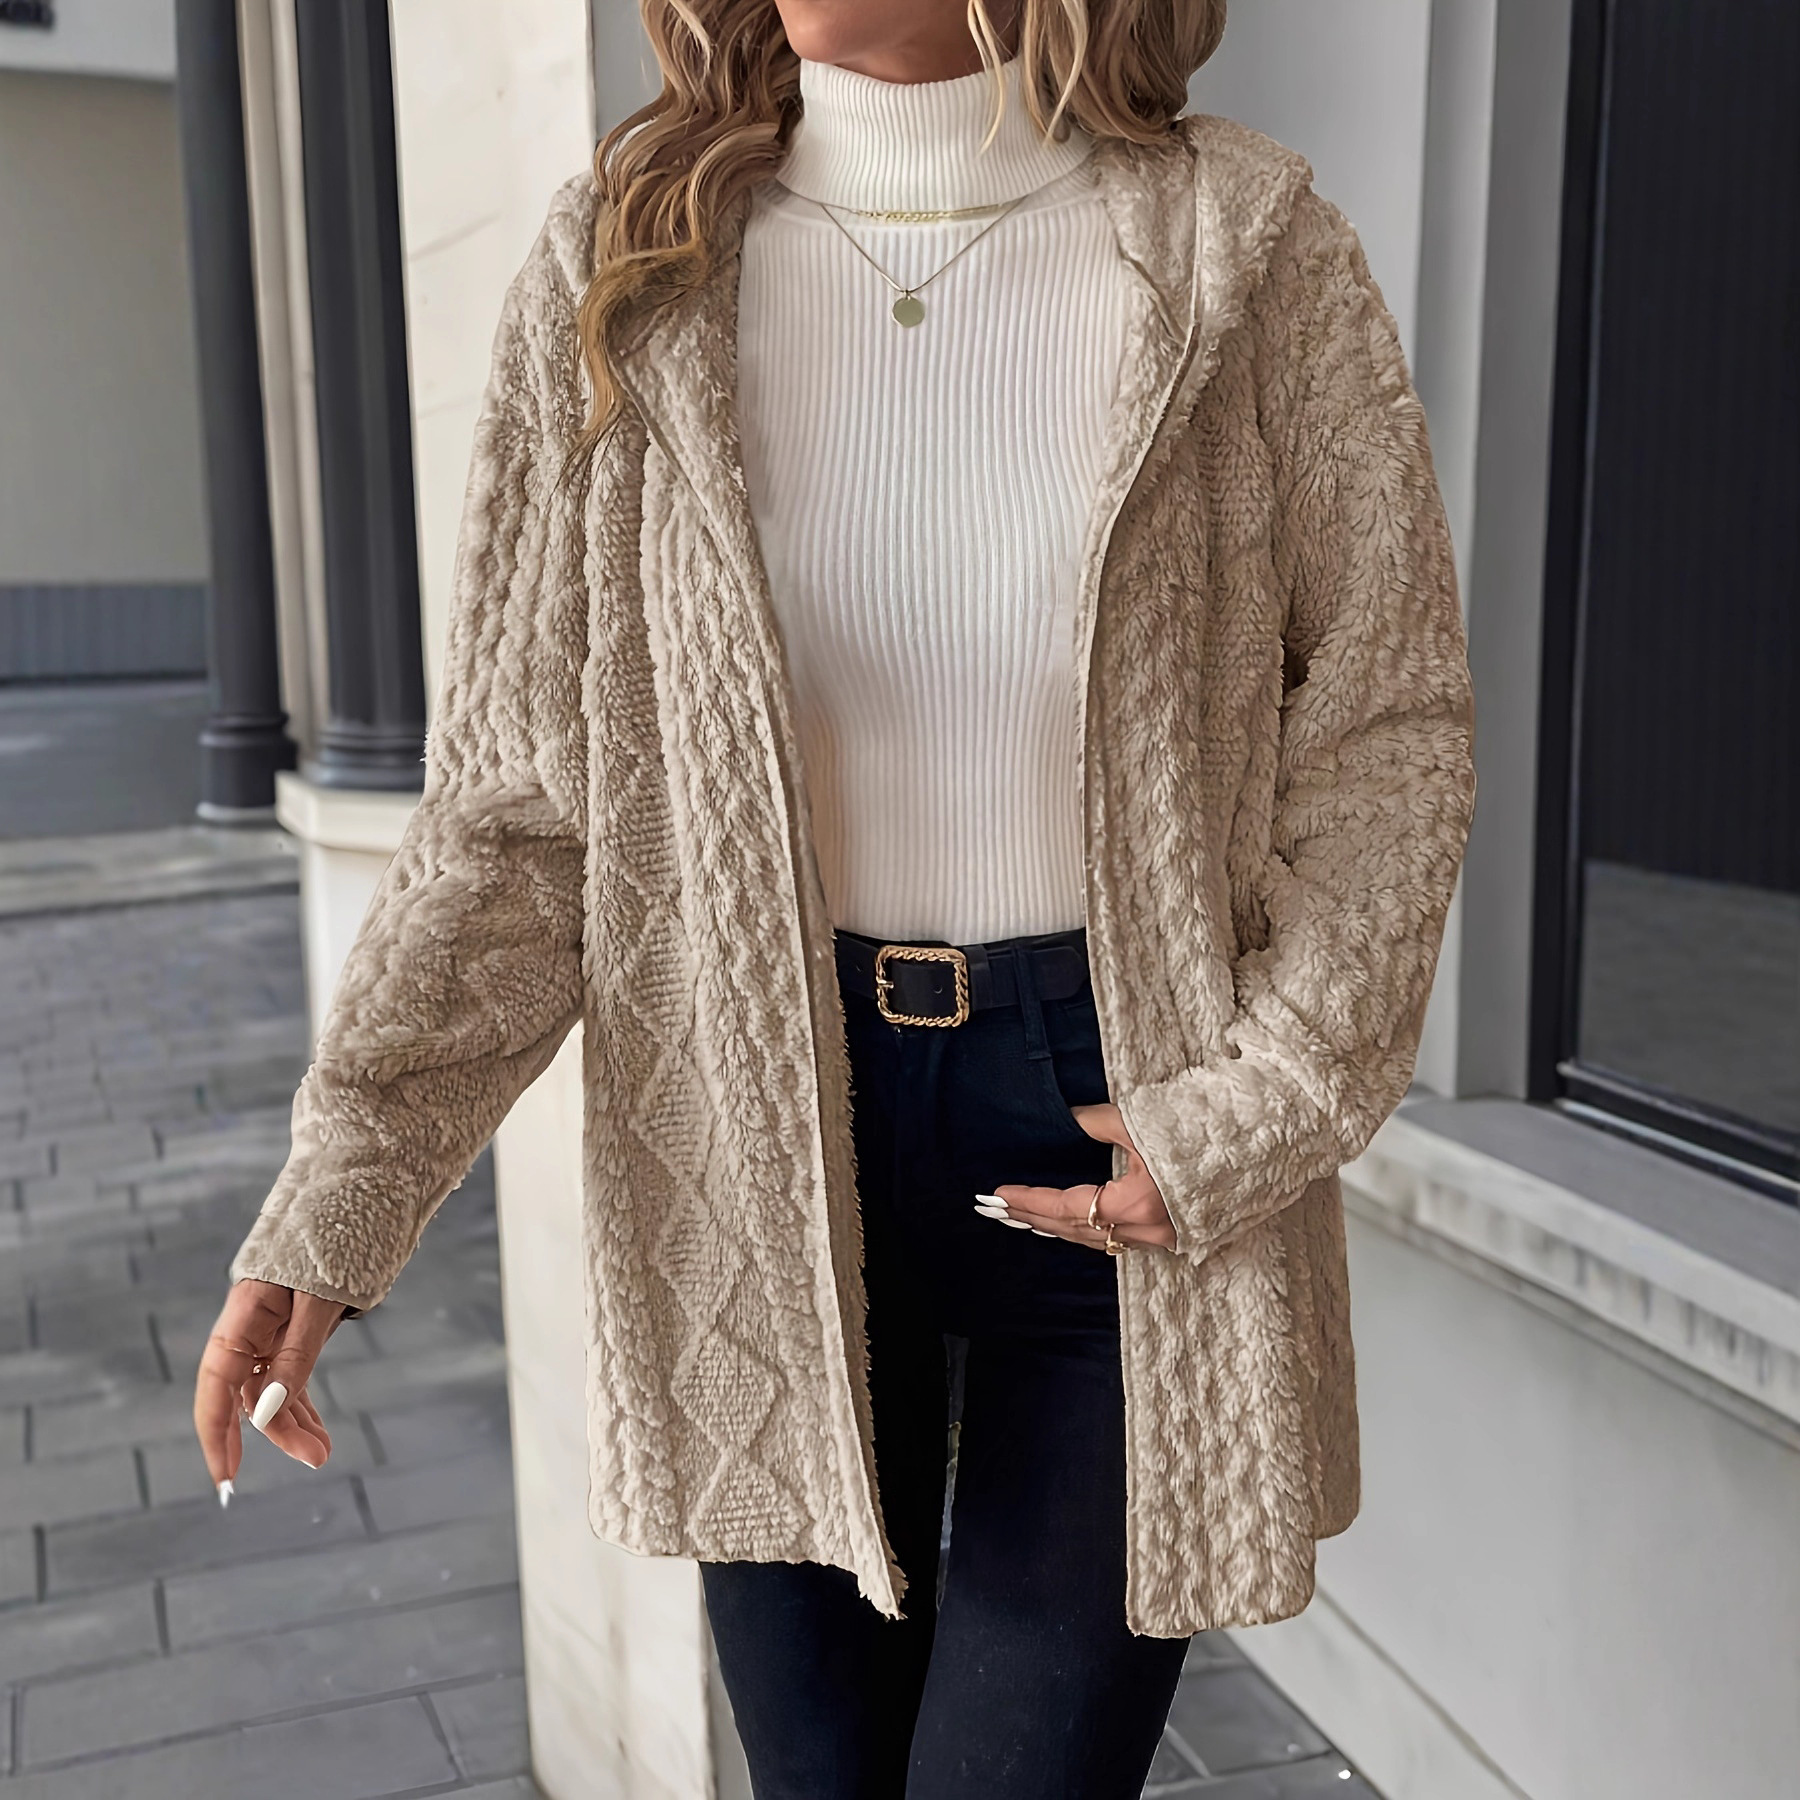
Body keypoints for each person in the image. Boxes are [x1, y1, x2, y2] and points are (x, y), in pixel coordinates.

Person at [194, 2, 1478, 1794]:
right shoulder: (626, 267)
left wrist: (1263, 1100)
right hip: (752, 1137)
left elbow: (1386, 734)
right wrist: (343, 1187)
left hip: (1120, 1128)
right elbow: (521, 809)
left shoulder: (1246, 256)